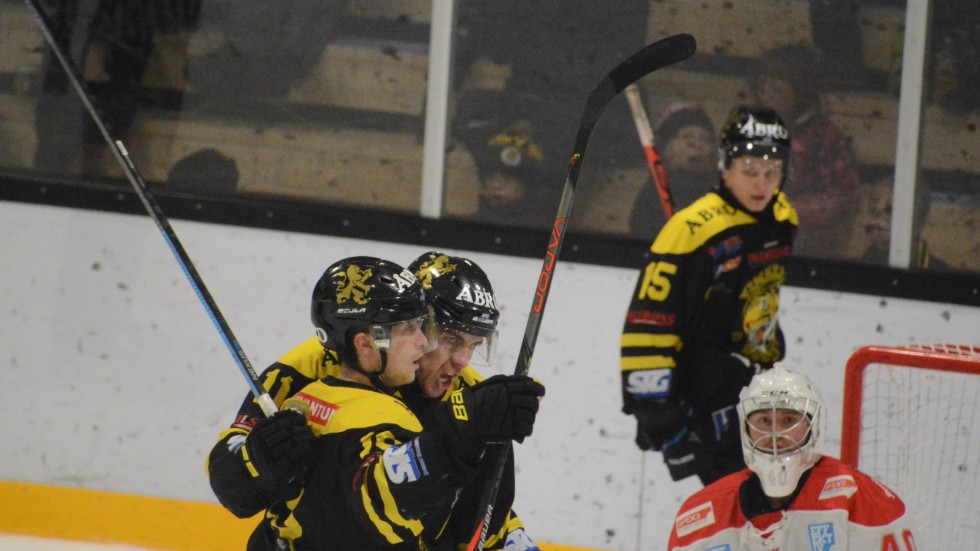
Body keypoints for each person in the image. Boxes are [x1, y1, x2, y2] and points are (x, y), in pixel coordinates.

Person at [207, 253, 545, 550]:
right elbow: (230, 476)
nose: (462, 361)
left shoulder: (470, 396)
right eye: (451, 338)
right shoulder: (311, 367)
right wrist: (255, 460)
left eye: (475, 344)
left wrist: (512, 541)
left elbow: (478, 507)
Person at [620, 106, 798, 486]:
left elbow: (760, 292)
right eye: (749, 171)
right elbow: (649, 321)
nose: (761, 185)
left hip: (759, 384)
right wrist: (655, 409)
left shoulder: (783, 217)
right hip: (705, 397)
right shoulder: (691, 231)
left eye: (772, 172)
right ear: (725, 166)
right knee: (737, 503)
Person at [667, 364, 917, 550]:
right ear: (745, 428)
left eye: (788, 420)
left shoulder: (862, 501)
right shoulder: (698, 517)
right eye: (764, 420)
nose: (776, 432)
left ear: (813, 425)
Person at [749, 43, 861, 261]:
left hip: (807, 246)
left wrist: (790, 210)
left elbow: (844, 194)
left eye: (777, 88)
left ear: (800, 91)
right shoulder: (751, 132)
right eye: (763, 89)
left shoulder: (824, 137)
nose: (767, 96)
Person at [628, 103, 717, 240]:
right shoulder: (655, 195)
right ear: (666, 148)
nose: (697, 145)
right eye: (686, 137)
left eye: (705, 140)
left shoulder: (722, 193)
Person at [860, 177, 949, 270]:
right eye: (874, 213)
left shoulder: (939, 274)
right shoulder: (861, 268)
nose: (878, 223)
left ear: (918, 223)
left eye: (890, 212)